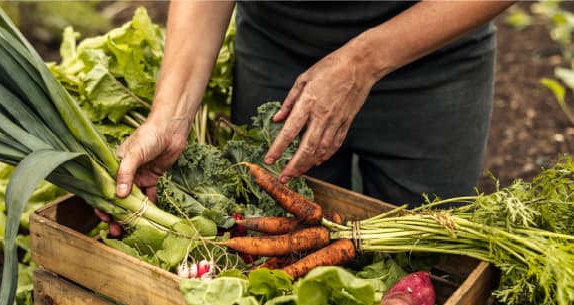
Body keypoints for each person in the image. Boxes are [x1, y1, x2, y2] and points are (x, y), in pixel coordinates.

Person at [113, 1, 515, 213]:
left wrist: (361, 62)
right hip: (279, 55)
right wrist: (171, 116)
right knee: (271, 237)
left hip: (430, 57)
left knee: (426, 265)